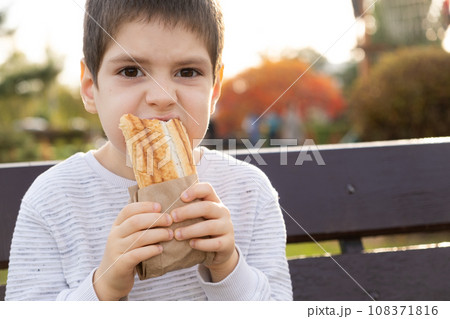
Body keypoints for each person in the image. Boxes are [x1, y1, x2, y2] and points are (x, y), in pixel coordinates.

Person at [5, 0, 292, 301]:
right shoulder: (53, 199)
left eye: (187, 71)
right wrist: (103, 288)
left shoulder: (249, 193)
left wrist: (228, 267)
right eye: (131, 71)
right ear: (90, 87)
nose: (162, 96)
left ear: (215, 89)